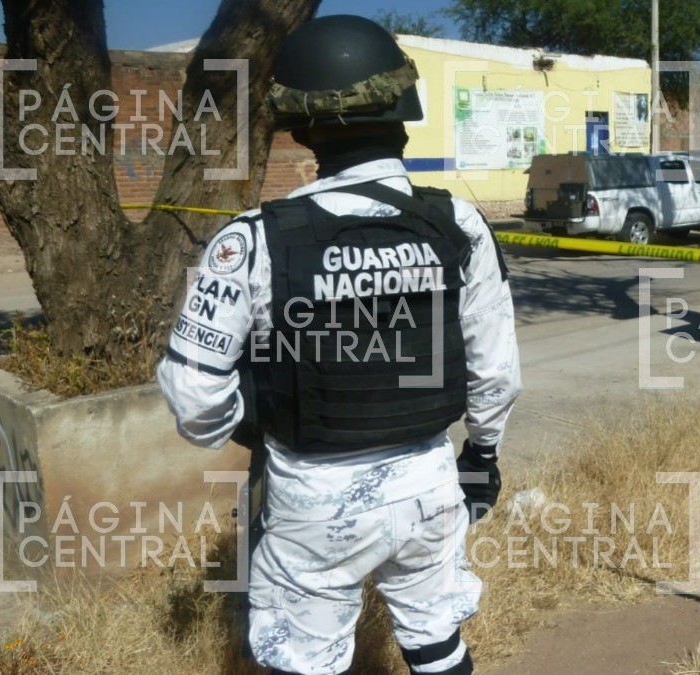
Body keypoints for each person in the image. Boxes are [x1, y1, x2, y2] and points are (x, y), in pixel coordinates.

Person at [156, 15, 521, 675]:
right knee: (437, 641)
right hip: (429, 483)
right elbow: (495, 372)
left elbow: (193, 392)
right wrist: (484, 455)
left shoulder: (253, 239)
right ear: (404, 112)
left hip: (312, 497)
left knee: (305, 658)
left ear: (300, 125)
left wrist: (261, 414)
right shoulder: (460, 222)